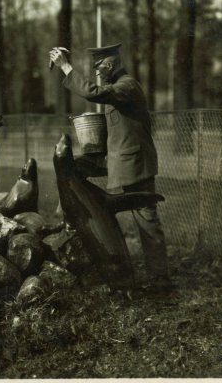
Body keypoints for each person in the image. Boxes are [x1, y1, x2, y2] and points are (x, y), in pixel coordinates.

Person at [49, 43, 174, 293]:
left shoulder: (127, 86)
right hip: (120, 161)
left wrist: (66, 67)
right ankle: (66, 222)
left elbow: (94, 92)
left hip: (135, 165)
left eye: (98, 67)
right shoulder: (118, 90)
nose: (97, 71)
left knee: (147, 223)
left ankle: (160, 281)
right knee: (74, 172)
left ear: (110, 64)